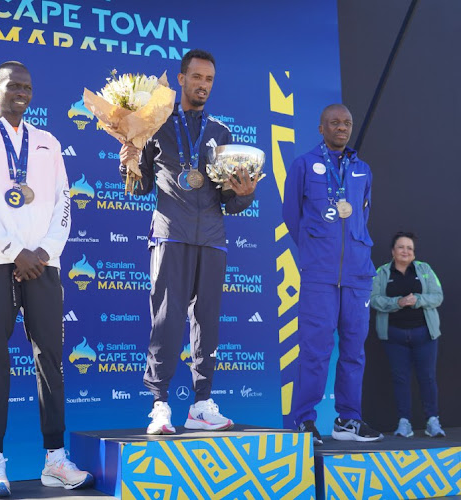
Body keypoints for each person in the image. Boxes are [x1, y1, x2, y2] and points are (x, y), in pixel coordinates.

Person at [0, 61, 92, 498]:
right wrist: (15, 251)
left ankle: (55, 460)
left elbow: (63, 203)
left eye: (27, 86)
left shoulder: (49, 142)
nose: (21, 92)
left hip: (45, 265)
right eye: (12, 85)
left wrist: (44, 252)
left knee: (50, 362)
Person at [118, 49, 257, 435]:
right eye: (197, 78)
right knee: (166, 319)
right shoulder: (154, 125)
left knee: (207, 323)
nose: (203, 85)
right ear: (181, 79)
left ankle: (201, 403)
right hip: (170, 234)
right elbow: (140, 185)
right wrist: (128, 160)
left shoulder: (221, 134)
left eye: (209, 80)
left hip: (212, 239)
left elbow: (229, 200)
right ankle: (159, 404)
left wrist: (245, 193)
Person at [282, 104, 382, 445]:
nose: (342, 127)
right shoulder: (303, 165)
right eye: (335, 123)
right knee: (315, 350)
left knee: (354, 352)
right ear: (321, 128)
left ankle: (348, 421)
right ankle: (304, 421)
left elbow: (361, 218)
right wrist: (315, 251)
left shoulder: (363, 170)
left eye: (347, 123)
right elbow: (292, 216)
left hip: (357, 276)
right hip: (320, 275)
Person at [370, 232, 446, 438]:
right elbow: (374, 299)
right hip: (394, 335)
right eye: (401, 247)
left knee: (427, 377)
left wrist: (417, 300)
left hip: (424, 333)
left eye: (409, 248)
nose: (406, 251)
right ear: (393, 251)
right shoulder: (381, 272)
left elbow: (438, 296)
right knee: (400, 379)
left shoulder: (425, 269)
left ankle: (433, 421)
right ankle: (404, 423)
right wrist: (397, 303)